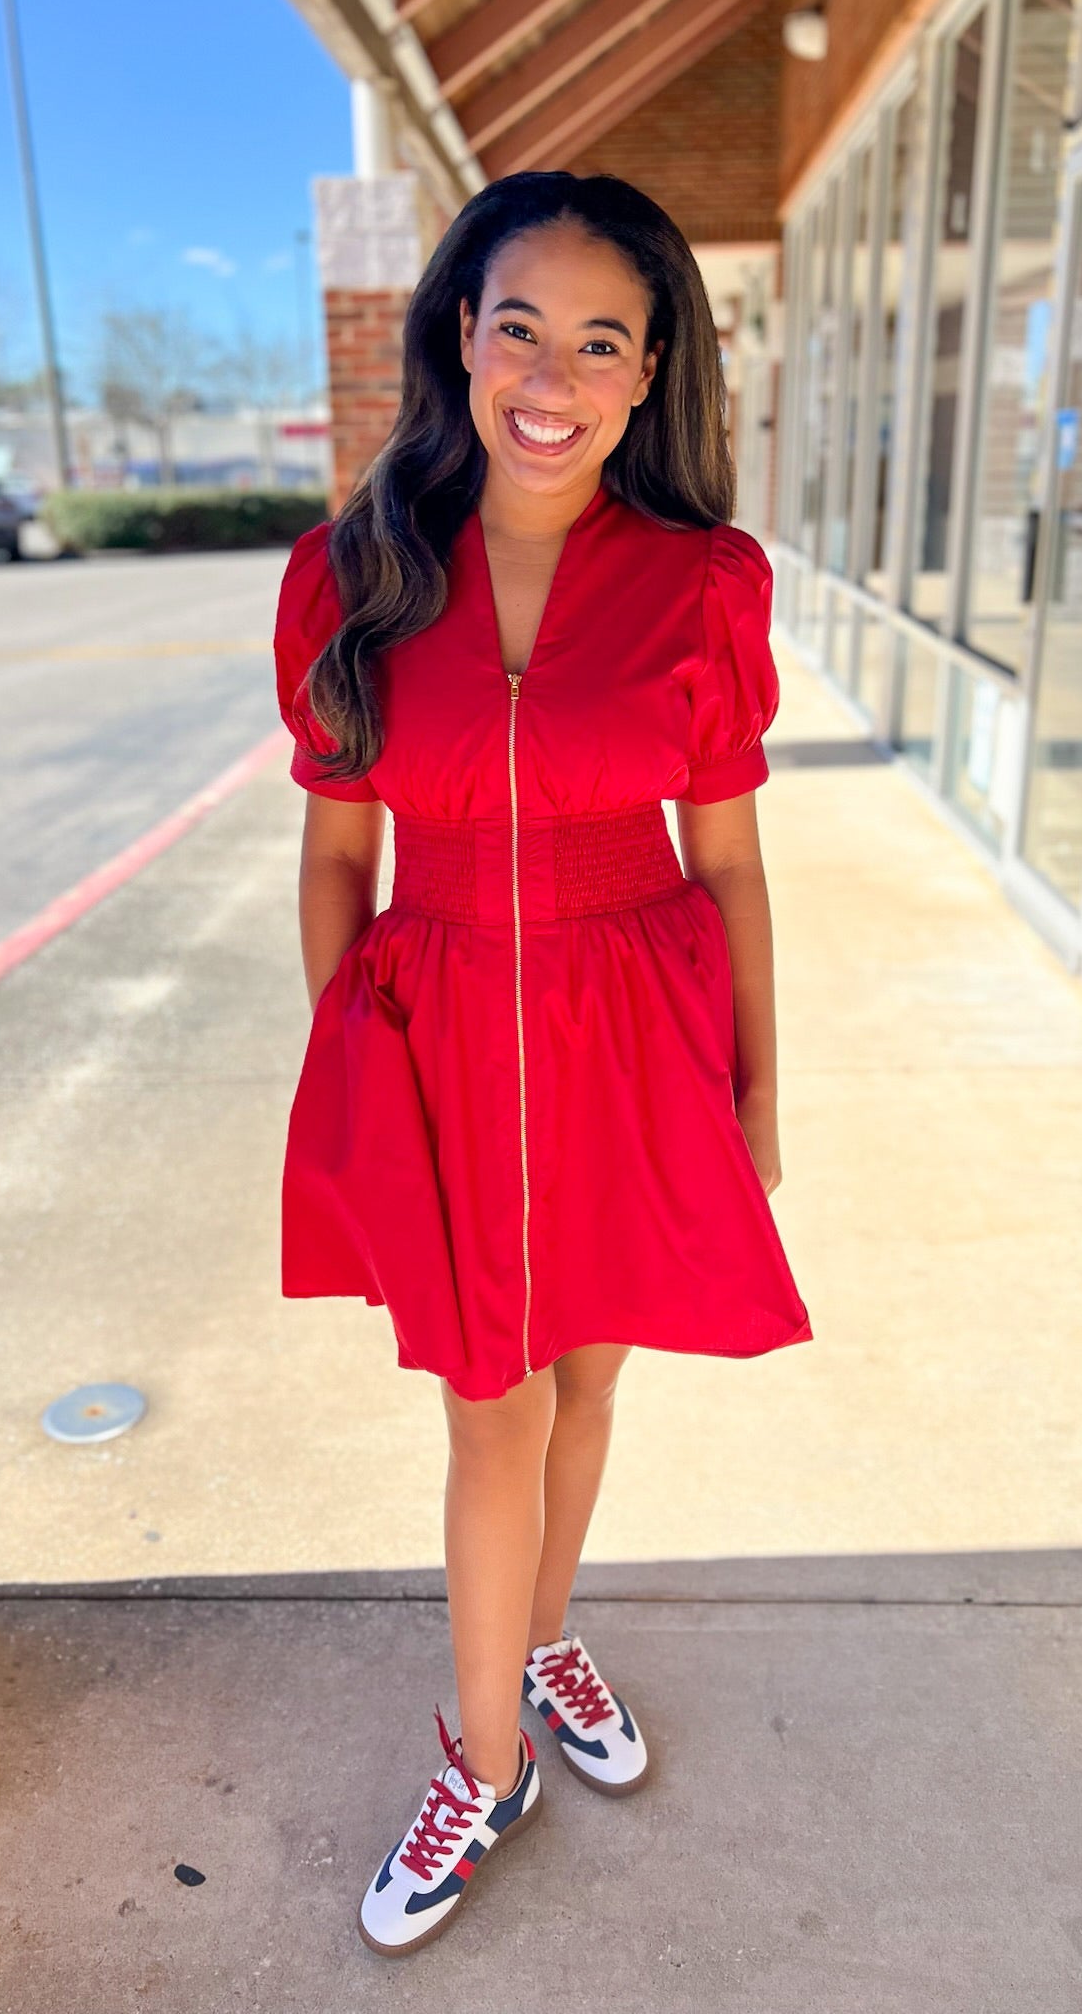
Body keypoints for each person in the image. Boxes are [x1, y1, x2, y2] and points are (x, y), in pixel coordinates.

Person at [273, 170, 813, 1959]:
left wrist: (751, 1085)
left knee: (584, 1380)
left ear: (649, 374)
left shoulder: (700, 584)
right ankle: (484, 1753)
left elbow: (726, 857)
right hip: (439, 1024)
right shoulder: (354, 570)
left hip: (632, 1019)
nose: (552, 375)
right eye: (519, 325)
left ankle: (543, 1629)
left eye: (601, 340)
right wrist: (345, 1057)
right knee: (488, 1403)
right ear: (459, 333)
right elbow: (338, 852)